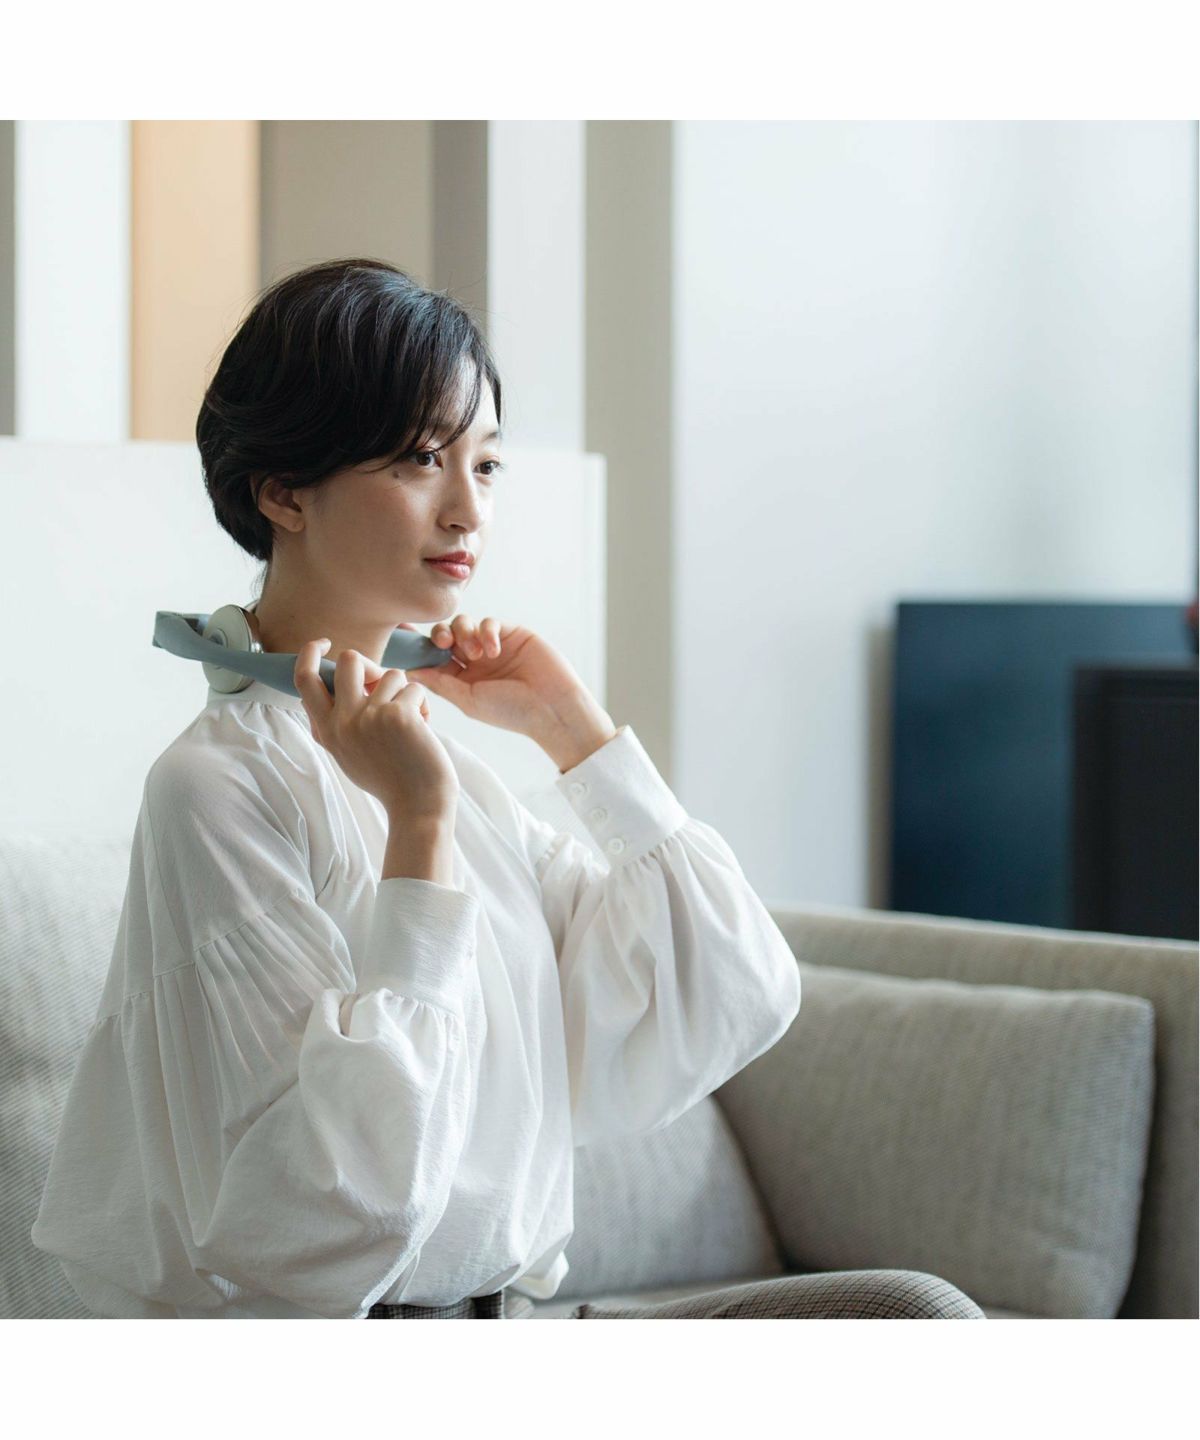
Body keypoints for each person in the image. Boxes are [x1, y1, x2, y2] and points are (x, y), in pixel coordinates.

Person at [30, 258, 979, 1321]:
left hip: (516, 1321)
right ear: (283, 490)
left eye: (484, 463)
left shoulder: (454, 775)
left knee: (912, 1313)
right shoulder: (219, 789)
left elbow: (735, 995)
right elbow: (336, 1212)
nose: (467, 509)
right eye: (420, 458)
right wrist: (418, 826)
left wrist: (577, 736)